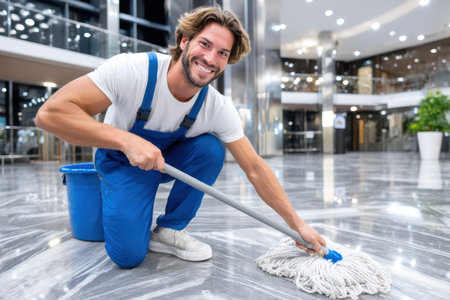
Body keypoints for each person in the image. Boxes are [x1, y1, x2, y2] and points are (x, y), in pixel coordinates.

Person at [35, 6, 326, 268]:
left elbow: (255, 168)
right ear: (184, 41)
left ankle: (170, 229)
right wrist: (127, 141)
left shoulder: (217, 106)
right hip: (121, 161)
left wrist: (297, 224)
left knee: (211, 149)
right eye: (205, 44)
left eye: (222, 53)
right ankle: (116, 199)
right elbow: (50, 114)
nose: (211, 59)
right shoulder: (133, 70)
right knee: (128, 257)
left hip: (164, 162)